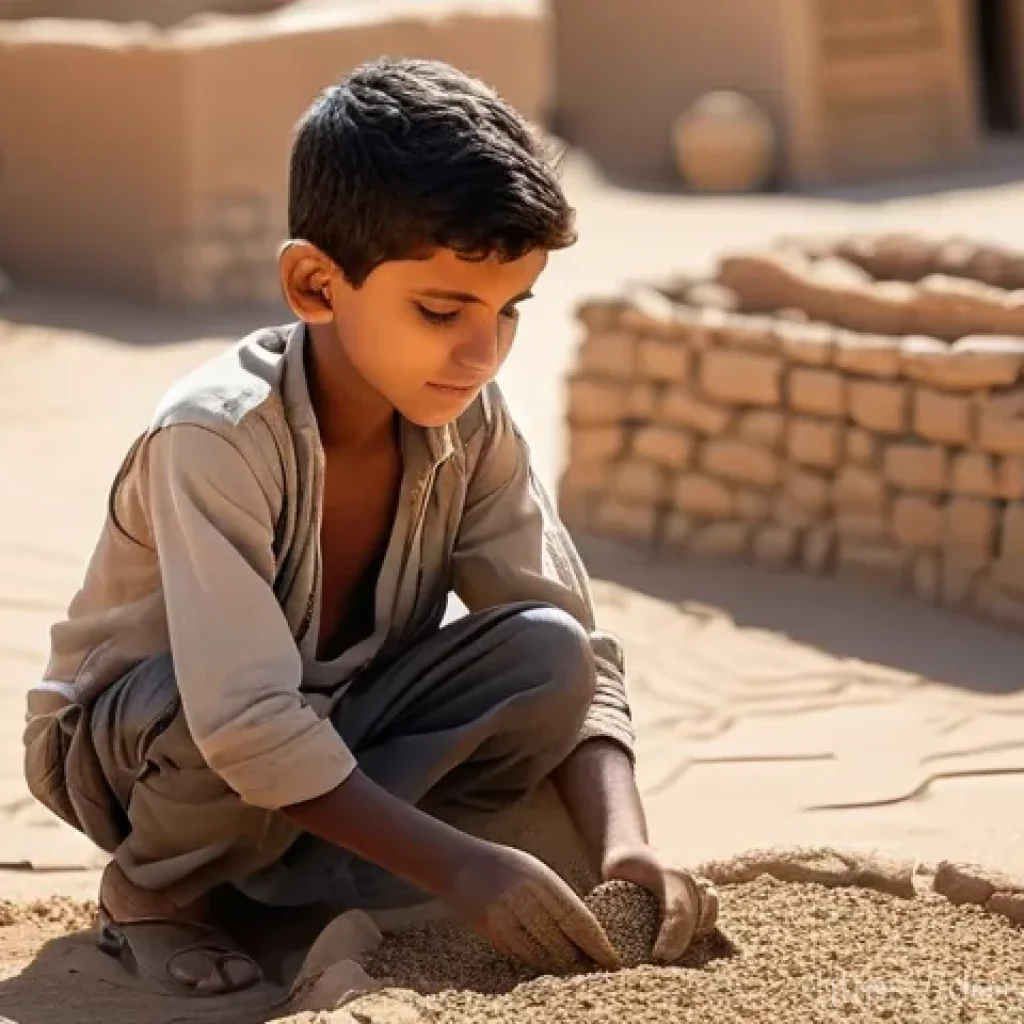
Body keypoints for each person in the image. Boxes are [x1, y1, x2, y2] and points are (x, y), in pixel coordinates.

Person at [23, 58, 718, 998]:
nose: (482, 352)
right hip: (144, 750)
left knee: (545, 650)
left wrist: (625, 845)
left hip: (333, 723)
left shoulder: (470, 419)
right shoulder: (214, 437)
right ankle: (155, 890)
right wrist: (458, 868)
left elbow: (575, 653)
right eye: (440, 310)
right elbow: (243, 718)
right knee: (212, 711)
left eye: (508, 311)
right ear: (315, 285)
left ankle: (288, 882)